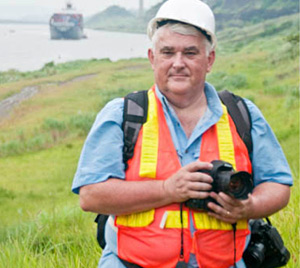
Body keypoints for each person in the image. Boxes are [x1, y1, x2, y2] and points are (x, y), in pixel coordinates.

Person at [72, 0, 293, 267]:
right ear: (152, 58)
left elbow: (278, 185)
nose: (178, 63)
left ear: (209, 60)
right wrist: (167, 189)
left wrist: (250, 207)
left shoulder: (241, 114)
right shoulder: (123, 114)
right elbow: (91, 195)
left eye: (190, 53)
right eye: (167, 52)